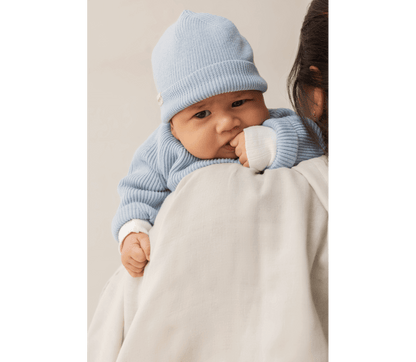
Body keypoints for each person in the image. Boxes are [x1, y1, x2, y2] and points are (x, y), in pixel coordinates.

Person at [111, 10, 325, 278]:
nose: (227, 122)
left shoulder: (276, 123)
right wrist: (133, 231)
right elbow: (138, 191)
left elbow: (316, 137)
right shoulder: (164, 148)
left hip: (271, 257)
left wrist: (272, 142)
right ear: (174, 128)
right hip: (203, 265)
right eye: (202, 114)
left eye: (239, 102)